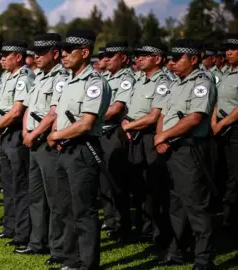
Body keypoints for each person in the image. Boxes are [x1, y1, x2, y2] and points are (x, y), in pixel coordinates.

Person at [46, 29, 111, 270]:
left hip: (83, 149)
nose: (63, 55)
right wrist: (58, 136)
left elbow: (86, 123)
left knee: (83, 210)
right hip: (65, 150)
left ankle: (88, 264)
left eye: (68, 51)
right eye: (61, 50)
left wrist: (54, 135)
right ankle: (71, 260)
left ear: (85, 52)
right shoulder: (69, 81)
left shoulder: (94, 83)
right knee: (65, 208)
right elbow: (61, 116)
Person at [154, 39, 216, 269]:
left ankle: (204, 259)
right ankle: (177, 251)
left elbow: (195, 117)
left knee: (196, 205)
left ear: (194, 59)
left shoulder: (202, 82)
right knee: (176, 205)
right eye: (171, 58)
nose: (173, 63)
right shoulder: (175, 83)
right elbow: (162, 114)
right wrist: (160, 137)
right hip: (171, 148)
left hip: (190, 149)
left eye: (178, 58)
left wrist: (164, 136)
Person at [15, 33, 67, 266]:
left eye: (41, 53)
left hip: (47, 143)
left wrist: (34, 134)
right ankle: (37, 242)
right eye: (34, 53)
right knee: (36, 196)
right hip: (33, 142)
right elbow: (28, 108)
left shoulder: (61, 78)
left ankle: (59, 248)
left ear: (55, 53)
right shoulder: (39, 78)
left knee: (55, 199)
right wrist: (26, 132)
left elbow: (53, 113)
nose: (35, 57)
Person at [121, 40, 173, 247]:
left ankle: (161, 234)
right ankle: (145, 230)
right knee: (139, 187)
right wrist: (127, 121)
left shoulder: (163, 81)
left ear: (158, 59)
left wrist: (127, 126)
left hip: (151, 136)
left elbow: (154, 117)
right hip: (135, 137)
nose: (138, 58)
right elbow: (130, 109)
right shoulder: (140, 79)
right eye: (137, 55)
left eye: (144, 55)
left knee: (156, 188)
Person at [0, 40, 34, 247]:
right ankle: (10, 227)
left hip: (15, 134)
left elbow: (17, 111)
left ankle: (22, 233)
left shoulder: (24, 77)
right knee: (7, 185)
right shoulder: (7, 76)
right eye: (1, 56)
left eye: (6, 55)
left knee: (20, 185)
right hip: (4, 133)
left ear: (18, 56)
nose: (2, 59)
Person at [212, 34, 238, 238]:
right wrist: (214, 124)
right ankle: (230, 222)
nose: (228, 52)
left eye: (233, 49)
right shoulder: (225, 74)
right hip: (223, 130)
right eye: (226, 48)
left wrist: (221, 125)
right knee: (229, 178)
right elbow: (217, 103)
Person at [100, 41, 135, 241]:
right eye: (104, 56)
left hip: (115, 132)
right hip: (101, 132)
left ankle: (123, 224)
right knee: (104, 181)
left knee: (117, 180)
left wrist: (88, 118)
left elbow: (116, 109)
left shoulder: (125, 79)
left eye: (110, 56)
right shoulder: (104, 77)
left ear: (122, 57)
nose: (105, 59)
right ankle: (111, 220)